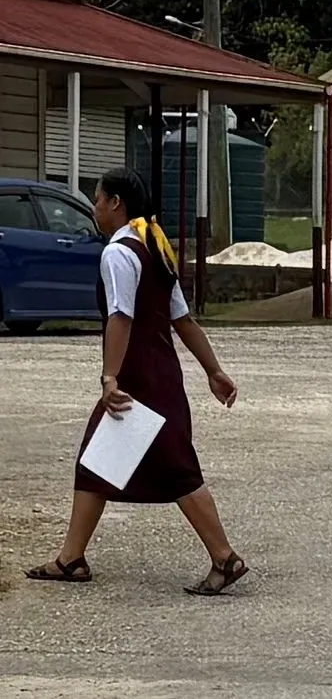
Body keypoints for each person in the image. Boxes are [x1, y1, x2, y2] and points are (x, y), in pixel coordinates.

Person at [25, 167, 247, 596]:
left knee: (178, 469)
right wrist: (212, 371)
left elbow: (120, 317)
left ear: (115, 203)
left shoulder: (119, 252)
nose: (94, 208)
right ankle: (71, 559)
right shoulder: (155, 247)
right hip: (161, 371)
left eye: (97, 199)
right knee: (96, 462)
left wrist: (110, 377)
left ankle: (225, 557)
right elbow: (182, 319)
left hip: (139, 377)